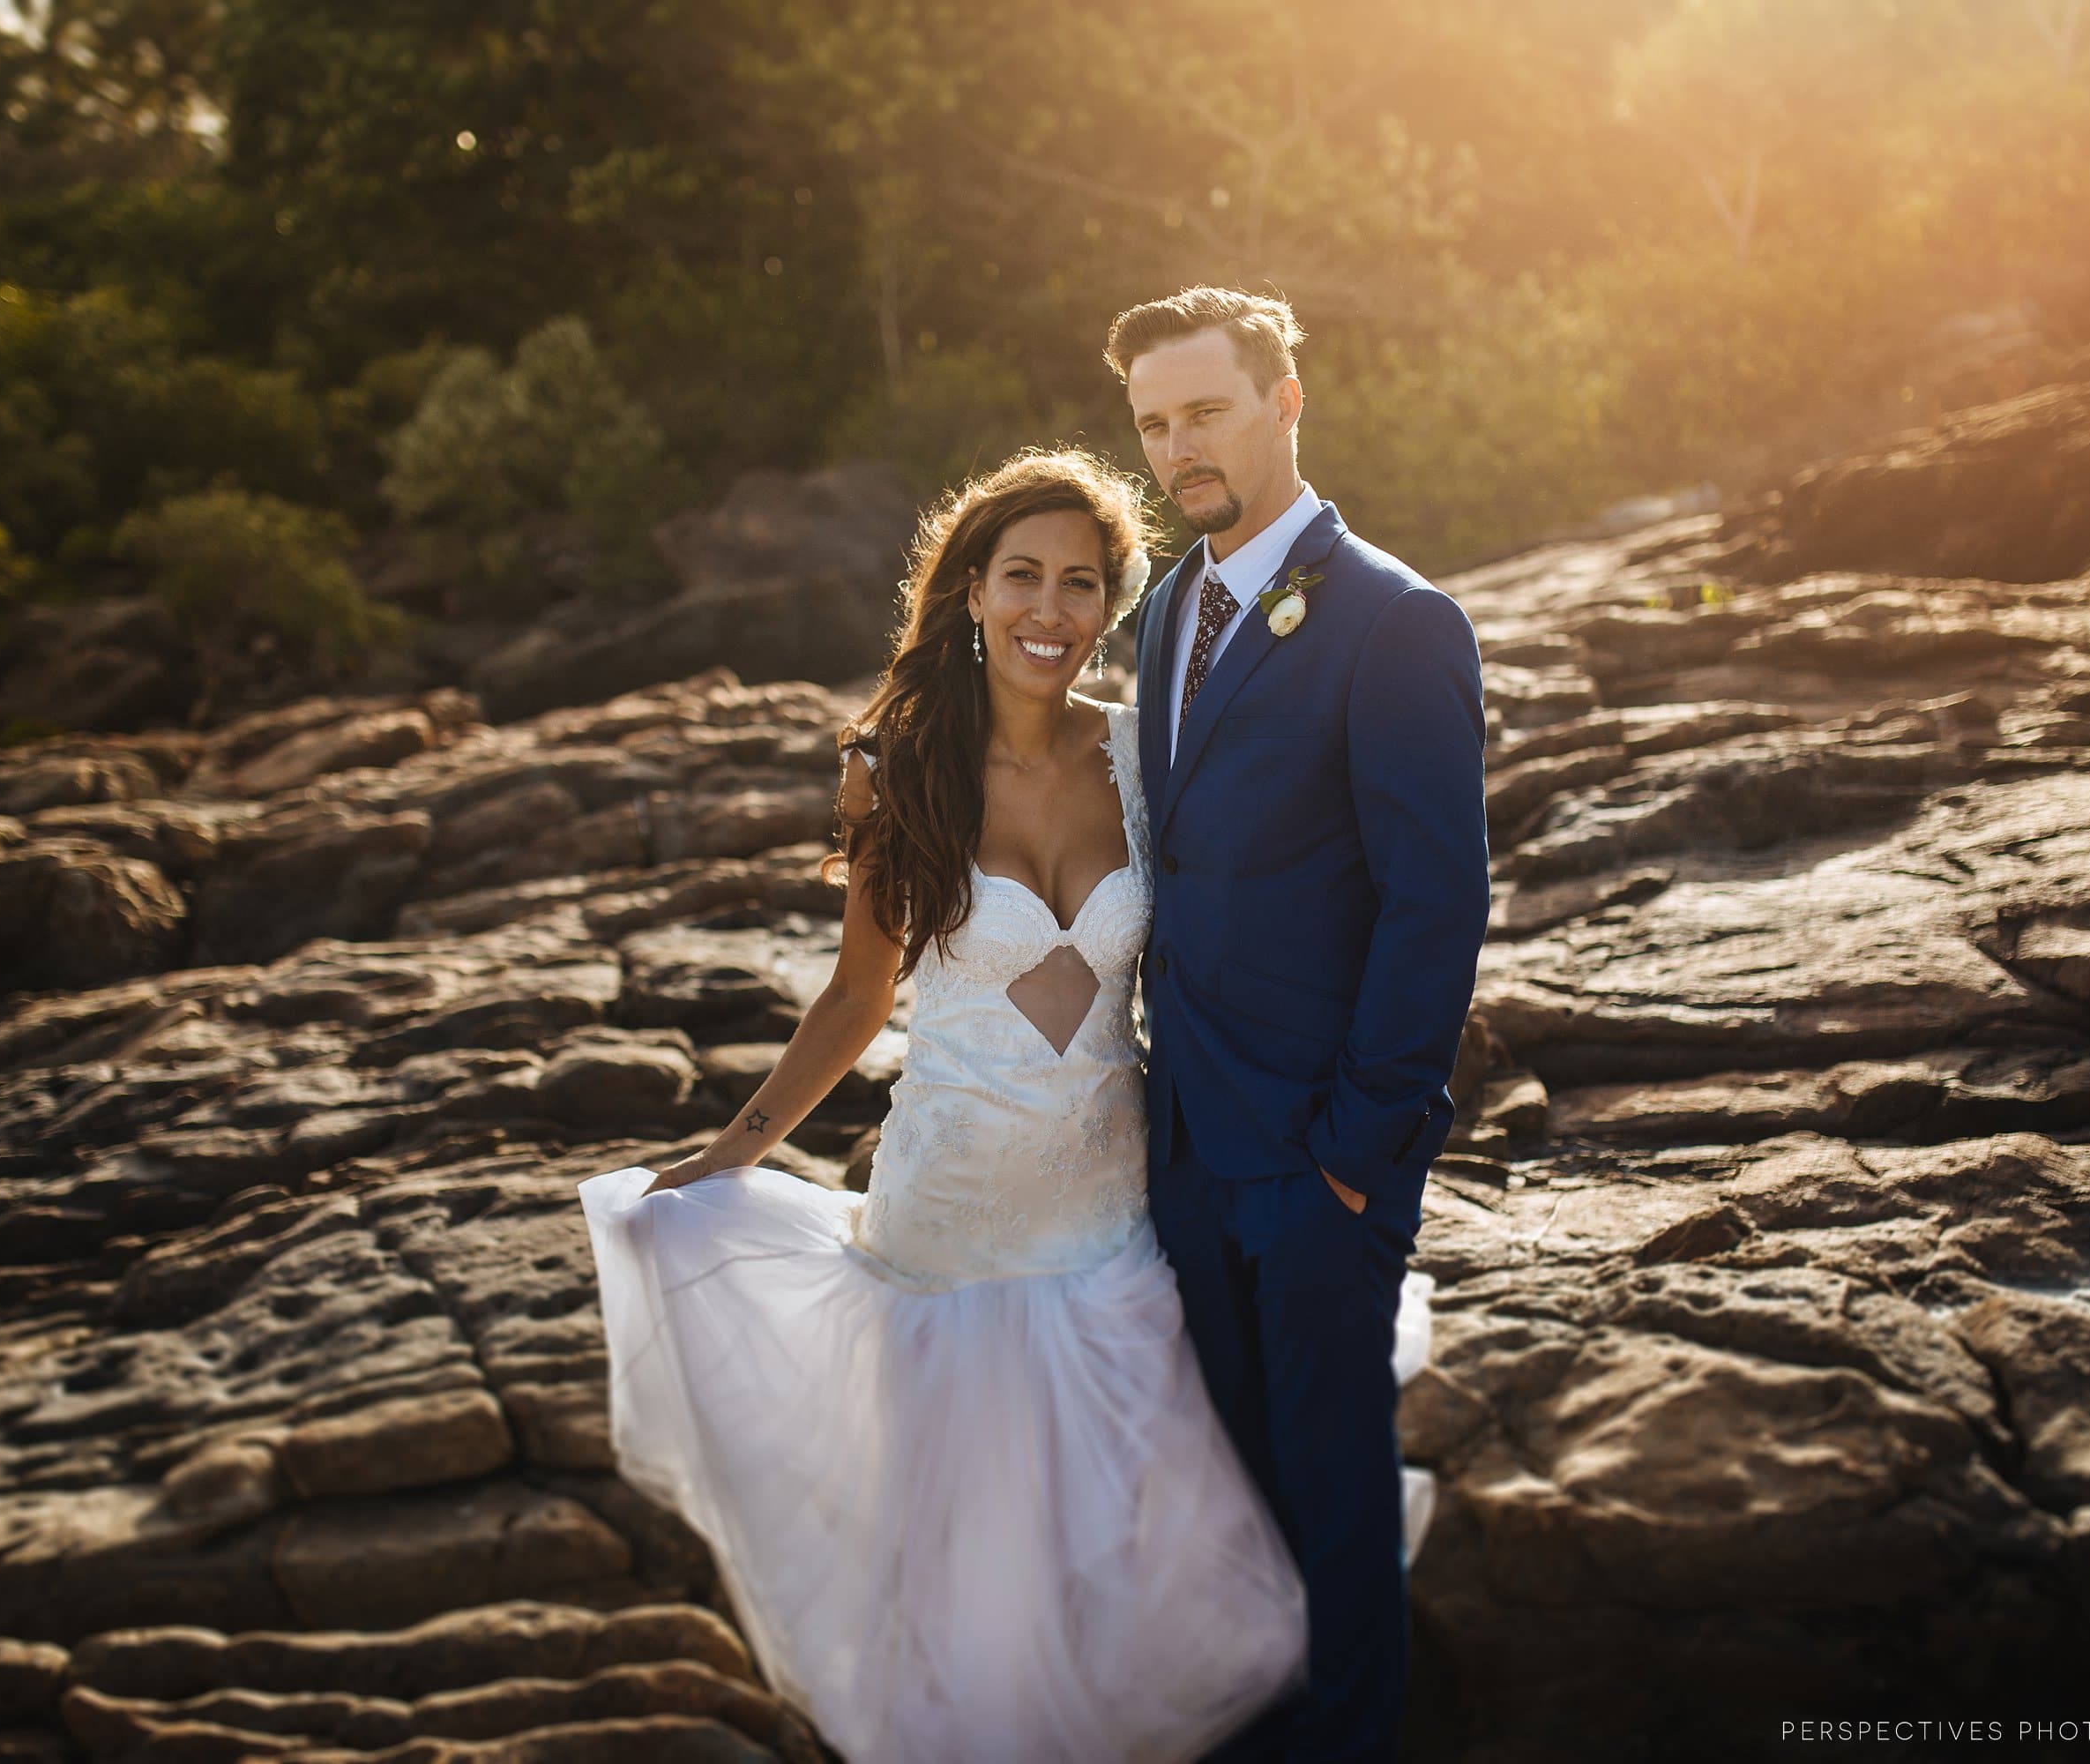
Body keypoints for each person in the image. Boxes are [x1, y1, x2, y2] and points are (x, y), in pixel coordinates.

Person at [576, 445, 1435, 1762]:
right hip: (949, 1223)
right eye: (1023, 576)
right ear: (971, 591)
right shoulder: (896, 769)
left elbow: (1242, 939)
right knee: (970, 1563)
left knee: (1128, 1530)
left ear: (1112, 602)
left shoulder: (1151, 760)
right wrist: (727, 1152)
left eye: (1081, 584)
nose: (1051, 609)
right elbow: (858, 1000)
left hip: (1111, 1200)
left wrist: (1323, 1107)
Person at [1110, 286, 1490, 1764]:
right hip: (1190, 1140)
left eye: (1203, 410)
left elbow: (1434, 904)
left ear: (1285, 401)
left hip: (1323, 1153)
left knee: (1336, 1498)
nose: (1177, 447)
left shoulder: (1396, 622)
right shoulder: (1162, 613)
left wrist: (1360, 1144)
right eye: (1152, 423)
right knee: (1247, 1481)